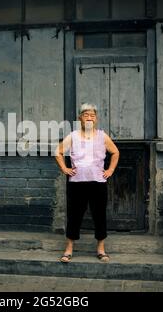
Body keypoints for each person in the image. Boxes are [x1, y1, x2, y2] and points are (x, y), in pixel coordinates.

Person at [55, 103, 119, 263]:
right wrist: (65, 168)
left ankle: (101, 249)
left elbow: (115, 152)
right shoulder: (73, 136)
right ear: (80, 118)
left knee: (99, 216)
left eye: (92, 115)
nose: (89, 118)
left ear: (96, 118)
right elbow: (58, 151)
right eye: (86, 115)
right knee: (74, 215)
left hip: (98, 183)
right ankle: (69, 249)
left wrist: (110, 170)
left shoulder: (102, 136)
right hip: (77, 183)